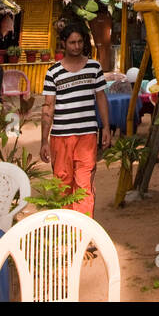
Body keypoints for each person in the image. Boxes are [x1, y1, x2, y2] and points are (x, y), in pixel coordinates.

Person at [40, 24, 111, 215]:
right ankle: (66, 231)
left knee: (84, 184)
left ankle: (83, 234)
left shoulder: (94, 67)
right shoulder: (53, 72)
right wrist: (43, 140)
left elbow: (101, 98)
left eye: (80, 42)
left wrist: (106, 127)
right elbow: (48, 107)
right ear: (63, 44)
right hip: (60, 137)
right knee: (62, 184)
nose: (76, 46)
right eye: (72, 42)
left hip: (87, 137)